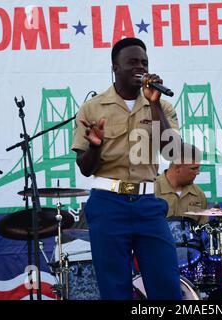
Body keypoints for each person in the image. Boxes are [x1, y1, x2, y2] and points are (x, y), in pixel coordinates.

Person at [72, 37, 182, 300]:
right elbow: (85, 169)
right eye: (132, 62)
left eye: (144, 62)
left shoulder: (161, 106)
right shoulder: (93, 107)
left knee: (166, 285)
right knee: (115, 289)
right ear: (115, 67)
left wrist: (154, 105)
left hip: (148, 203)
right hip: (108, 203)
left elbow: (173, 152)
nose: (140, 67)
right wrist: (96, 147)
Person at [155, 143, 208, 225]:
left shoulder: (199, 194)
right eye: (193, 168)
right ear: (177, 167)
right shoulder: (151, 190)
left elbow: (203, 230)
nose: (198, 172)